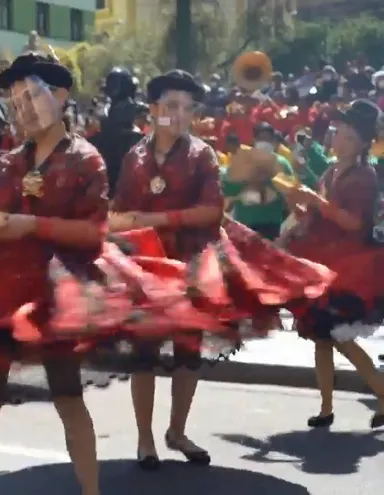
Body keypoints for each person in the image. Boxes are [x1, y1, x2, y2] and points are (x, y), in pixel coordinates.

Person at [0, 53, 257, 495]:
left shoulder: (85, 159)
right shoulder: (9, 163)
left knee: (68, 395)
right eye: (15, 101)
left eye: (31, 96)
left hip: (59, 293)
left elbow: (93, 233)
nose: (22, 109)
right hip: (2, 293)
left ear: (59, 96)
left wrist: (32, 226)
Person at [111, 69, 333, 469]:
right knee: (143, 353)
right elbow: (120, 211)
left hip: (193, 266)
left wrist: (154, 219)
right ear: (154, 110)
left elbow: (211, 211)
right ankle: (145, 440)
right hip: (144, 267)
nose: (178, 115)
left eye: (186, 108)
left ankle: (176, 431)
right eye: (170, 106)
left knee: (188, 354)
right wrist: (124, 227)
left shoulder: (201, 155)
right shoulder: (134, 157)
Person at [281, 99, 384, 429]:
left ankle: (383, 392)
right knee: (321, 338)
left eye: (349, 137)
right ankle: (326, 408)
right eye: (339, 133)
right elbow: (317, 214)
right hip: (323, 257)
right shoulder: (330, 170)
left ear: (363, 144)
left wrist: (317, 202)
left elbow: (354, 223)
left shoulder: (364, 177)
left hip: (348, 265)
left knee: (339, 337)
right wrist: (300, 207)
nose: (339, 140)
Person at [222, 122, 296, 240]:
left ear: (273, 140)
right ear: (254, 140)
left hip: (271, 224)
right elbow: (228, 187)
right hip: (245, 223)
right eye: (261, 138)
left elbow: (291, 193)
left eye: (267, 139)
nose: (264, 142)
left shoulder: (282, 164)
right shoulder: (242, 161)